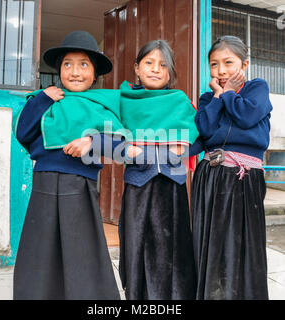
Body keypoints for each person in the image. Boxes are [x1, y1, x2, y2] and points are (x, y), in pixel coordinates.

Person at [12, 31, 123, 300]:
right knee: (41, 251)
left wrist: (91, 141)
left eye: (84, 64)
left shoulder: (102, 105)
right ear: (59, 70)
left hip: (81, 186)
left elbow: (120, 144)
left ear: (94, 74)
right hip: (44, 184)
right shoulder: (45, 100)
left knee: (82, 251)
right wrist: (43, 99)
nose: (75, 71)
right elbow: (24, 133)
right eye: (67, 64)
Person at [191, 35, 272, 300]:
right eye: (214, 64)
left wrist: (227, 94)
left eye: (228, 62)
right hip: (211, 176)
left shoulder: (256, 88)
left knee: (242, 243)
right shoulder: (207, 98)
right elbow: (204, 129)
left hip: (244, 177)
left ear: (245, 64)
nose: (221, 70)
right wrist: (217, 96)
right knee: (211, 243)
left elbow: (247, 116)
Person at [118, 40, 199, 300]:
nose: (155, 69)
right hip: (137, 187)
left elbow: (200, 136)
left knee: (172, 247)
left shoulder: (179, 101)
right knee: (136, 243)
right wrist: (125, 150)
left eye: (163, 65)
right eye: (149, 63)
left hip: (171, 188)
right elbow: (106, 134)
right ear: (137, 68)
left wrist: (182, 150)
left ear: (170, 73)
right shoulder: (124, 101)